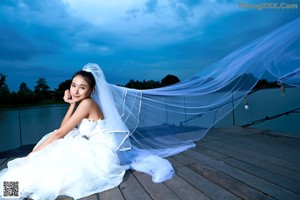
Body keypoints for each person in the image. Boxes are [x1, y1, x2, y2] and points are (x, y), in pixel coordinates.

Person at [0, 64, 174, 200]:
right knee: (48, 156)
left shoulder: (88, 103)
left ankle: (11, 190)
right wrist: (71, 105)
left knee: (47, 165)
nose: (75, 90)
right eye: (73, 85)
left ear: (91, 90)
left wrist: (31, 153)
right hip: (86, 142)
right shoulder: (82, 103)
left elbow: (60, 133)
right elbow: (63, 127)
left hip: (100, 151)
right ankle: (11, 189)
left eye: (82, 87)